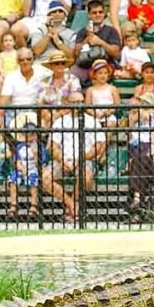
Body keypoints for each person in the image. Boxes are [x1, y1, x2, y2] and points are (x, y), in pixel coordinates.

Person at [44, 91, 105, 222]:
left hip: (84, 159)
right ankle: (72, 205)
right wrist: (62, 160)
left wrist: (80, 159)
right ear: (67, 103)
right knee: (45, 179)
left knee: (86, 176)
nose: (79, 105)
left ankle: (71, 207)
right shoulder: (60, 122)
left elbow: (98, 147)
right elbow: (53, 147)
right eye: (75, 102)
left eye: (81, 102)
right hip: (62, 159)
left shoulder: (93, 121)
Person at [72, 0, 123, 81]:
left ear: (104, 14)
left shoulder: (111, 30)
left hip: (106, 66)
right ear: (89, 15)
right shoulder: (82, 31)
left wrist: (100, 42)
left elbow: (116, 53)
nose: (98, 15)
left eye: (100, 12)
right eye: (94, 12)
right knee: (72, 74)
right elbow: (76, 52)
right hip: (85, 65)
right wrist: (87, 39)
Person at [7, 112, 43, 220]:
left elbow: (40, 164)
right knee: (13, 178)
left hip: (34, 169)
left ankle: (33, 205)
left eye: (32, 135)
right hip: (23, 169)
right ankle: (13, 205)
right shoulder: (20, 147)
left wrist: (36, 154)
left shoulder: (39, 146)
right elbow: (17, 161)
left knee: (34, 178)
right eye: (27, 135)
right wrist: (22, 168)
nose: (30, 137)